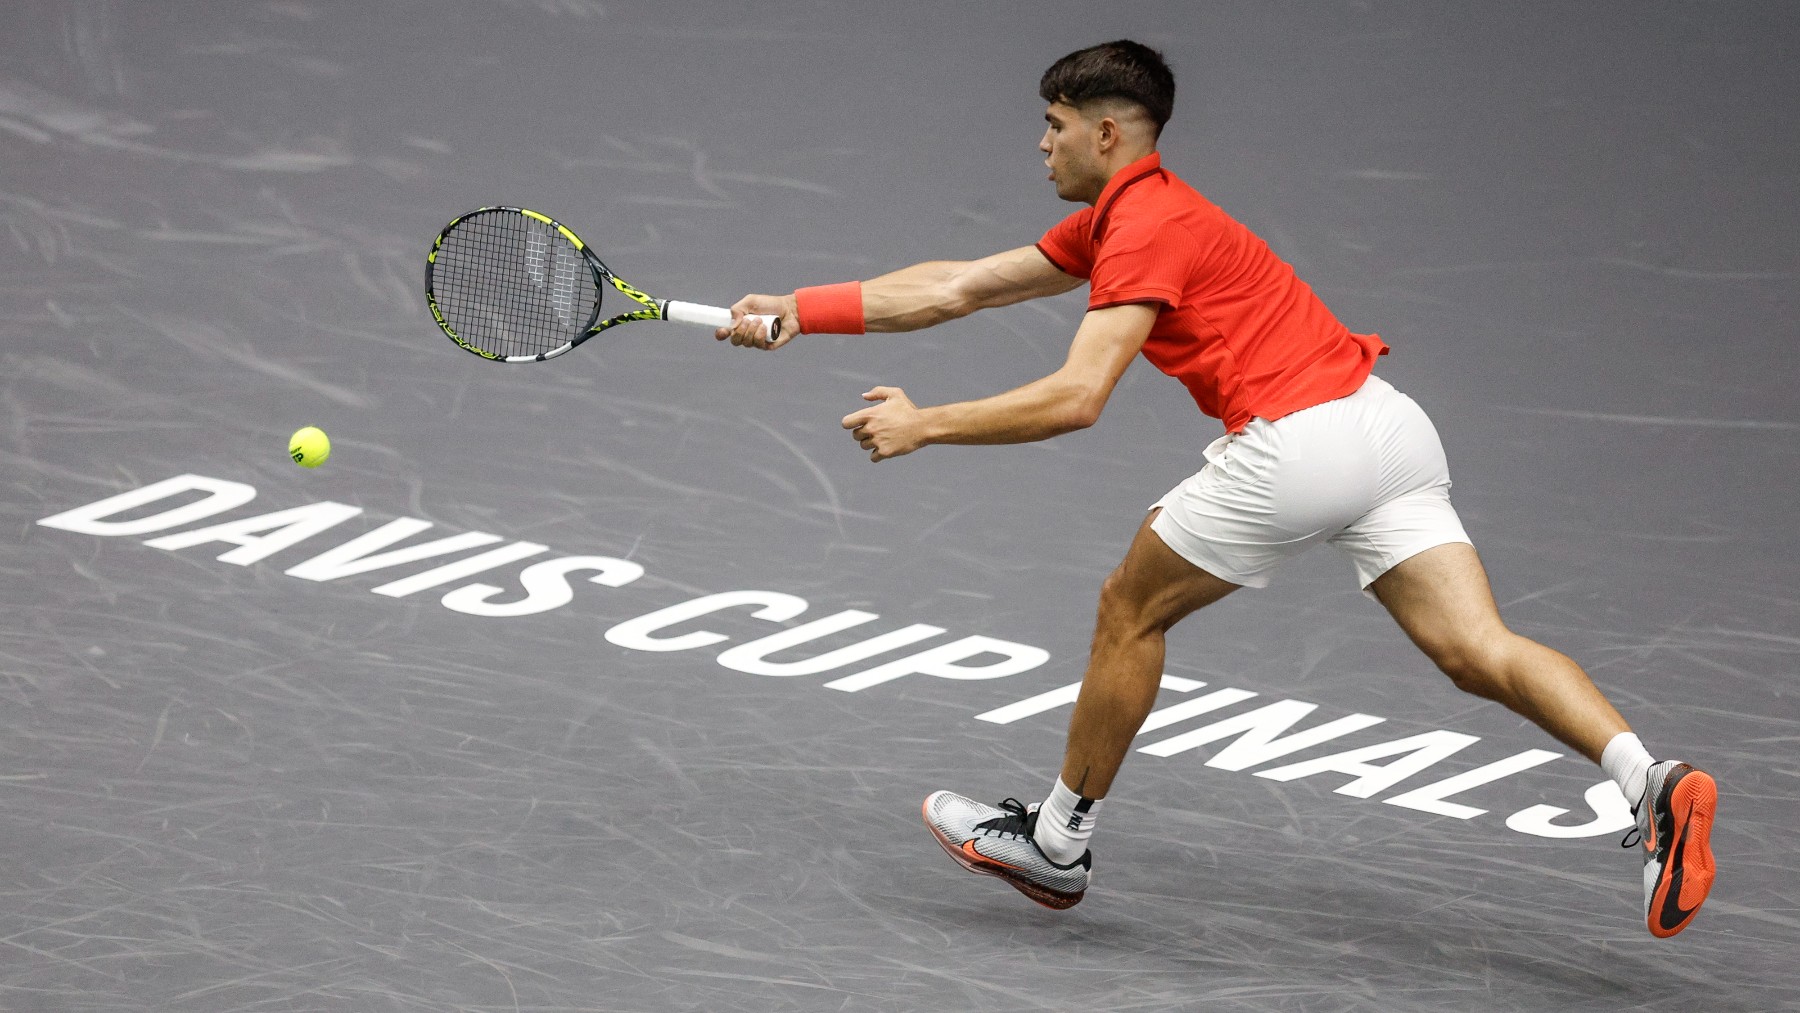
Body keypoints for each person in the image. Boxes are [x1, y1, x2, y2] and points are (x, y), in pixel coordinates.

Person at [717, 40, 1716, 938]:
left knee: (1129, 606)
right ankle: (1649, 780)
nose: (1041, 146)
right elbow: (962, 285)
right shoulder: (1129, 215)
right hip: (1386, 424)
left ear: (1107, 133)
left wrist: (926, 421)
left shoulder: (1143, 229)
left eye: (1055, 127)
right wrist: (803, 309)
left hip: (1302, 443)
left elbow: (1077, 396)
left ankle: (1057, 842)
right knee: (1476, 648)